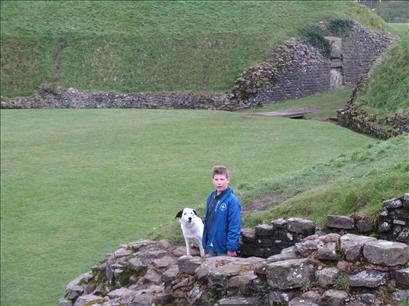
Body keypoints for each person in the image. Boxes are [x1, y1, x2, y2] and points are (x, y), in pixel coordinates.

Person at [202, 165, 241, 257]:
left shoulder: (232, 201)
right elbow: (208, 220)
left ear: (228, 180)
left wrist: (231, 248)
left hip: (223, 249)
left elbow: (234, 225)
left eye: (222, 179)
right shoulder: (211, 197)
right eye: (216, 179)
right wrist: (205, 242)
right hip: (210, 246)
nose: (219, 183)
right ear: (212, 180)